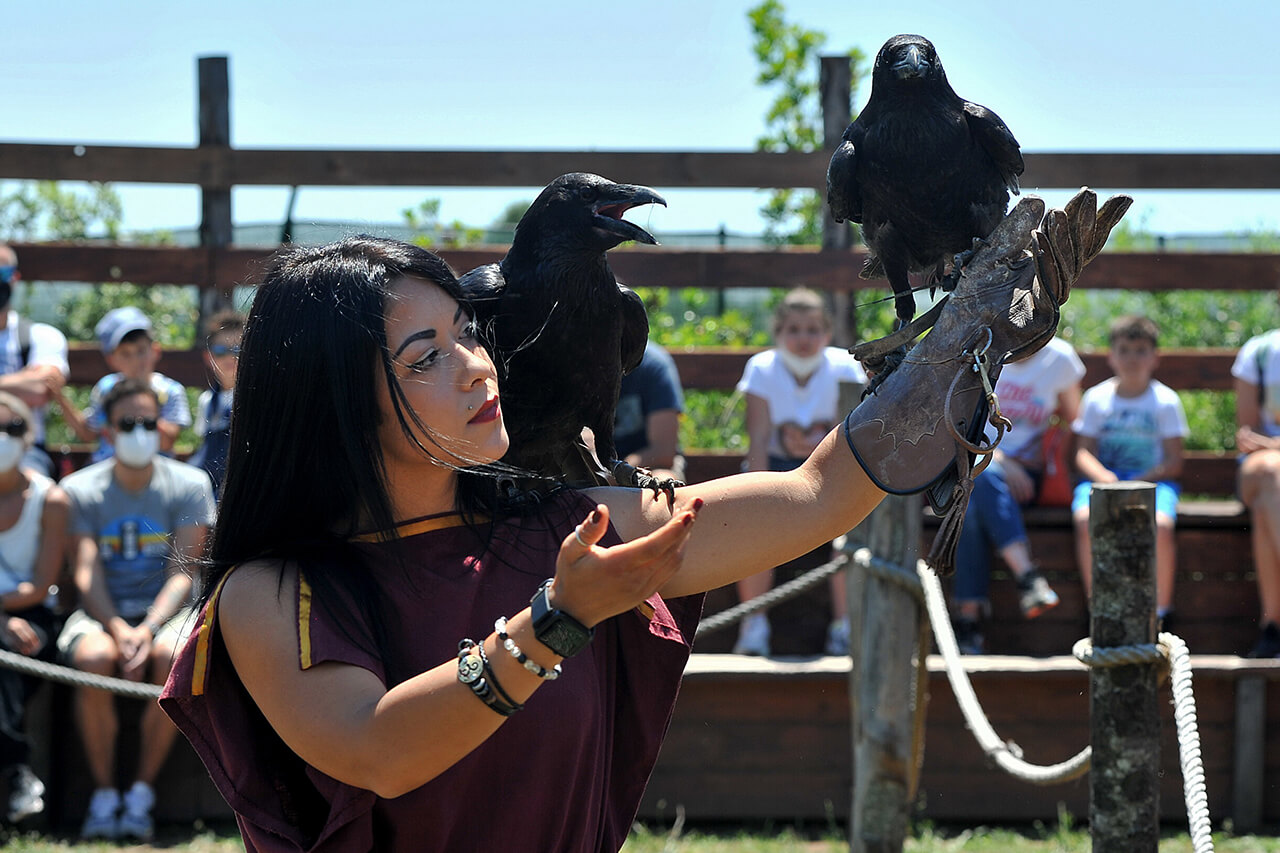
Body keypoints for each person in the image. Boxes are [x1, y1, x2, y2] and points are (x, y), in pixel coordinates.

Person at [152, 221, 1069, 852]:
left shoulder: (573, 522)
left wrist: (960, 341)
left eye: (466, 333)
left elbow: (814, 493)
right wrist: (558, 617)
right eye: (425, 358)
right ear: (336, 404)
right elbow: (377, 750)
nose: (477, 364)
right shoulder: (270, 592)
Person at [56, 377, 214, 840]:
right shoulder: (79, 489)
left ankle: (141, 793)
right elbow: (86, 573)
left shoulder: (190, 483)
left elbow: (183, 571)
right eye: (129, 422)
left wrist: (145, 627)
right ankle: (105, 795)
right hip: (102, 611)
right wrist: (116, 628)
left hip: (167, 612)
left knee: (171, 658)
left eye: (149, 421)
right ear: (107, 428)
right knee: (91, 659)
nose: (140, 431)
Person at [731, 288, 866, 657]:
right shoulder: (761, 368)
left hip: (832, 472)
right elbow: (758, 439)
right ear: (779, 332)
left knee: (847, 541)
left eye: (811, 329)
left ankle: (845, 627)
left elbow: (850, 435)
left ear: (826, 332)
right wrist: (757, 494)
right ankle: (753, 624)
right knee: (753, 534)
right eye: (793, 329)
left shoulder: (844, 367)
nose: (803, 338)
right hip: (775, 471)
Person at [950, 336, 1084, 654]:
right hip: (980, 462)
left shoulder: (1060, 359)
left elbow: (1075, 423)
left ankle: (968, 621)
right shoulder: (980, 354)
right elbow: (960, 422)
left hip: (1031, 475)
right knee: (975, 490)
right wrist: (1000, 461)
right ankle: (1026, 575)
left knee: (972, 494)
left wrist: (1048, 454)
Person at [1072, 315, 1187, 625]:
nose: (1132, 358)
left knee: (1161, 526)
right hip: (1104, 480)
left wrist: (1138, 480)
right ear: (1111, 356)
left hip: (1153, 482)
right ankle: (1097, 608)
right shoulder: (1097, 398)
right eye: (1124, 349)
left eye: (1140, 350)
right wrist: (1104, 477)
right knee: (1085, 519)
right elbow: (1083, 452)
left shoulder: (1165, 402)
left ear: (1154, 357)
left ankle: (1161, 612)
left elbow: (1174, 462)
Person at [0, 391, 69, 823]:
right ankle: (18, 766)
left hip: (33, 617)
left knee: (7, 660)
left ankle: (18, 769)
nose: (2, 437)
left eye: (12, 428)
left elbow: (38, 585)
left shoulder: (51, 498)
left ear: (29, 437)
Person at [51, 306, 193, 463]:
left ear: (155, 350)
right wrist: (59, 397)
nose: (135, 360)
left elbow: (167, 442)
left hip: (154, 471)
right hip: (107, 467)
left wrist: (138, 411)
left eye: (141, 350)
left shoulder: (170, 390)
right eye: (125, 353)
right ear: (111, 360)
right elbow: (89, 433)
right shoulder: (105, 388)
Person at [0, 244, 71, 479]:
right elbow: (32, 387)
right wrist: (22, 380)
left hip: (27, 451)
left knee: (38, 492)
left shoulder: (42, 336)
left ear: (15, 278)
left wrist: (34, 383)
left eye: (2, 274)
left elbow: (41, 389)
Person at [1230, 326, 1280, 657]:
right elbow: (1248, 435)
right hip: (1262, 466)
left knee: (1266, 508)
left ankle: (1272, 628)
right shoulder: (1260, 351)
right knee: (1271, 471)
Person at [187, 310, 245, 497]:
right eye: (220, 351)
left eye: (237, 350)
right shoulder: (207, 401)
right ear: (208, 357)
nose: (230, 357)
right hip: (211, 487)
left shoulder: (256, 400)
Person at [613, 340, 685, 484]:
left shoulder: (654, 364)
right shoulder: (573, 362)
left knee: (663, 482)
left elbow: (663, 451)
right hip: (594, 466)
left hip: (647, 463)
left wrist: (619, 471)